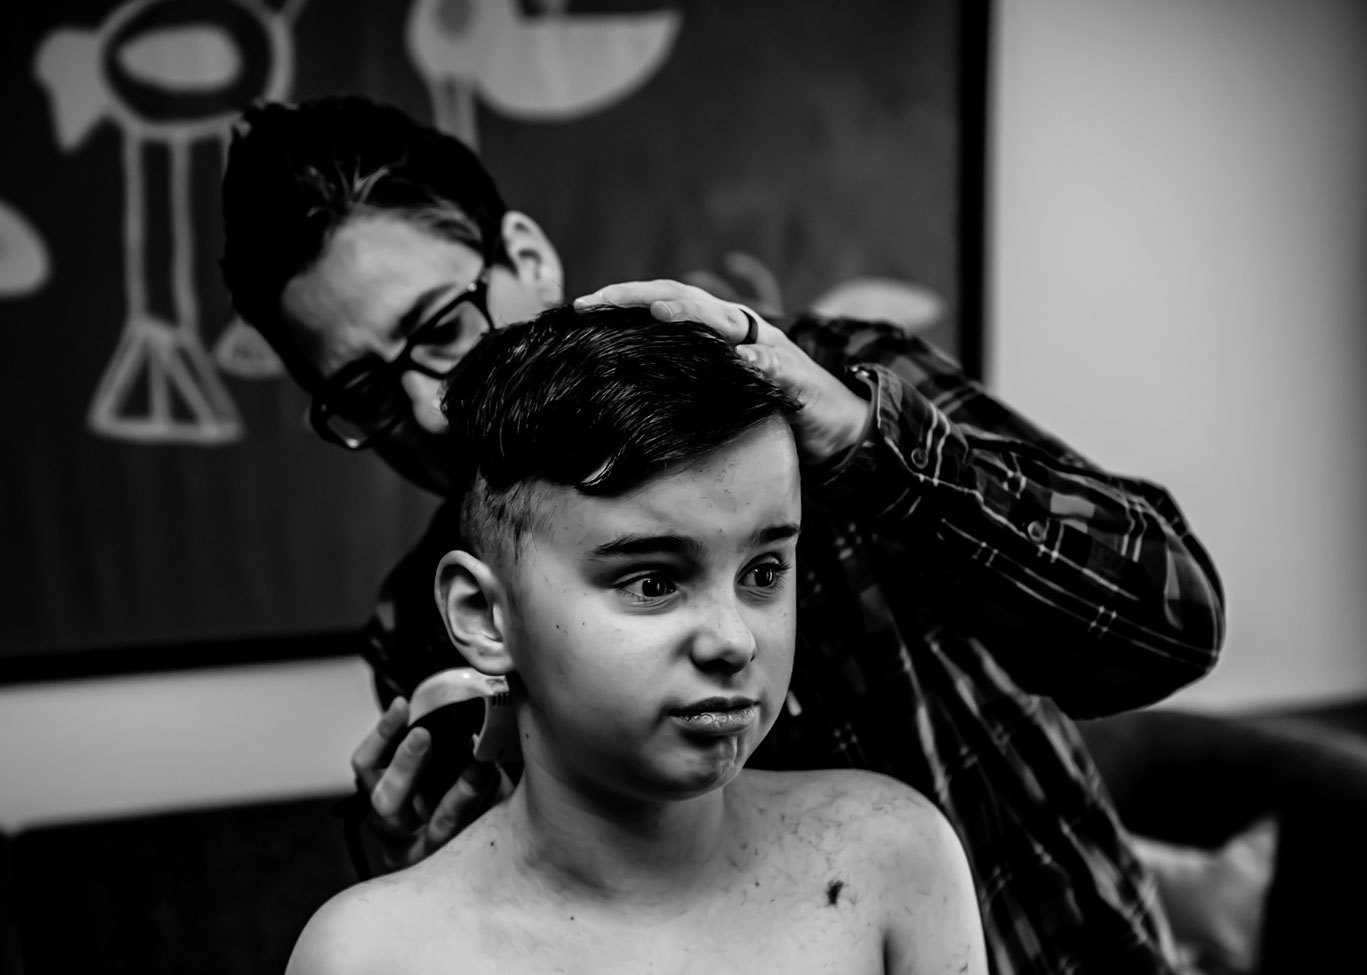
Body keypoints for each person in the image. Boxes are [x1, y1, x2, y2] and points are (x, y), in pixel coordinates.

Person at [220, 94, 1225, 975]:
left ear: (524, 256)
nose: (430, 409)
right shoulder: (420, 629)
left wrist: (864, 448)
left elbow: (1168, 626)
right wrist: (434, 889)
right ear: (477, 614)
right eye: (361, 391)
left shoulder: (821, 395)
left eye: (443, 325)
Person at [284, 305, 988, 975]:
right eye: (652, 582)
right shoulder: (373, 954)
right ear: (483, 615)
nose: (734, 640)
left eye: (764, 570)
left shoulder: (891, 854)